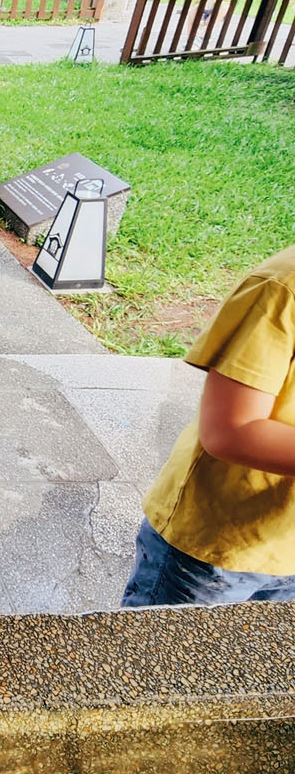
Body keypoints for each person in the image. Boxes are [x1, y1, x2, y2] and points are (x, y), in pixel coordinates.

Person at [122, 247, 295, 607]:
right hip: (219, 546)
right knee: (158, 656)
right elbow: (233, 430)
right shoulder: (282, 287)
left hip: (284, 537)